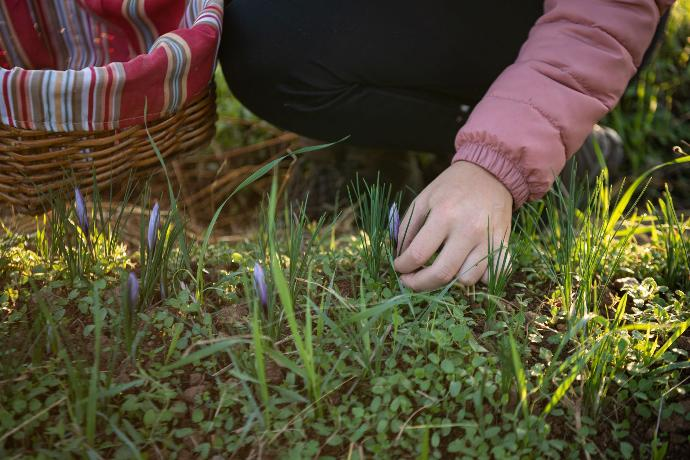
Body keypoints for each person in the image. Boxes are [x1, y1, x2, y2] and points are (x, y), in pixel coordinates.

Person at [219, 0, 675, 291]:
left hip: (558, 22)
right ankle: (391, 137)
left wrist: (497, 163)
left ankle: (544, 147)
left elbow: (599, 20)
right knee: (263, 31)